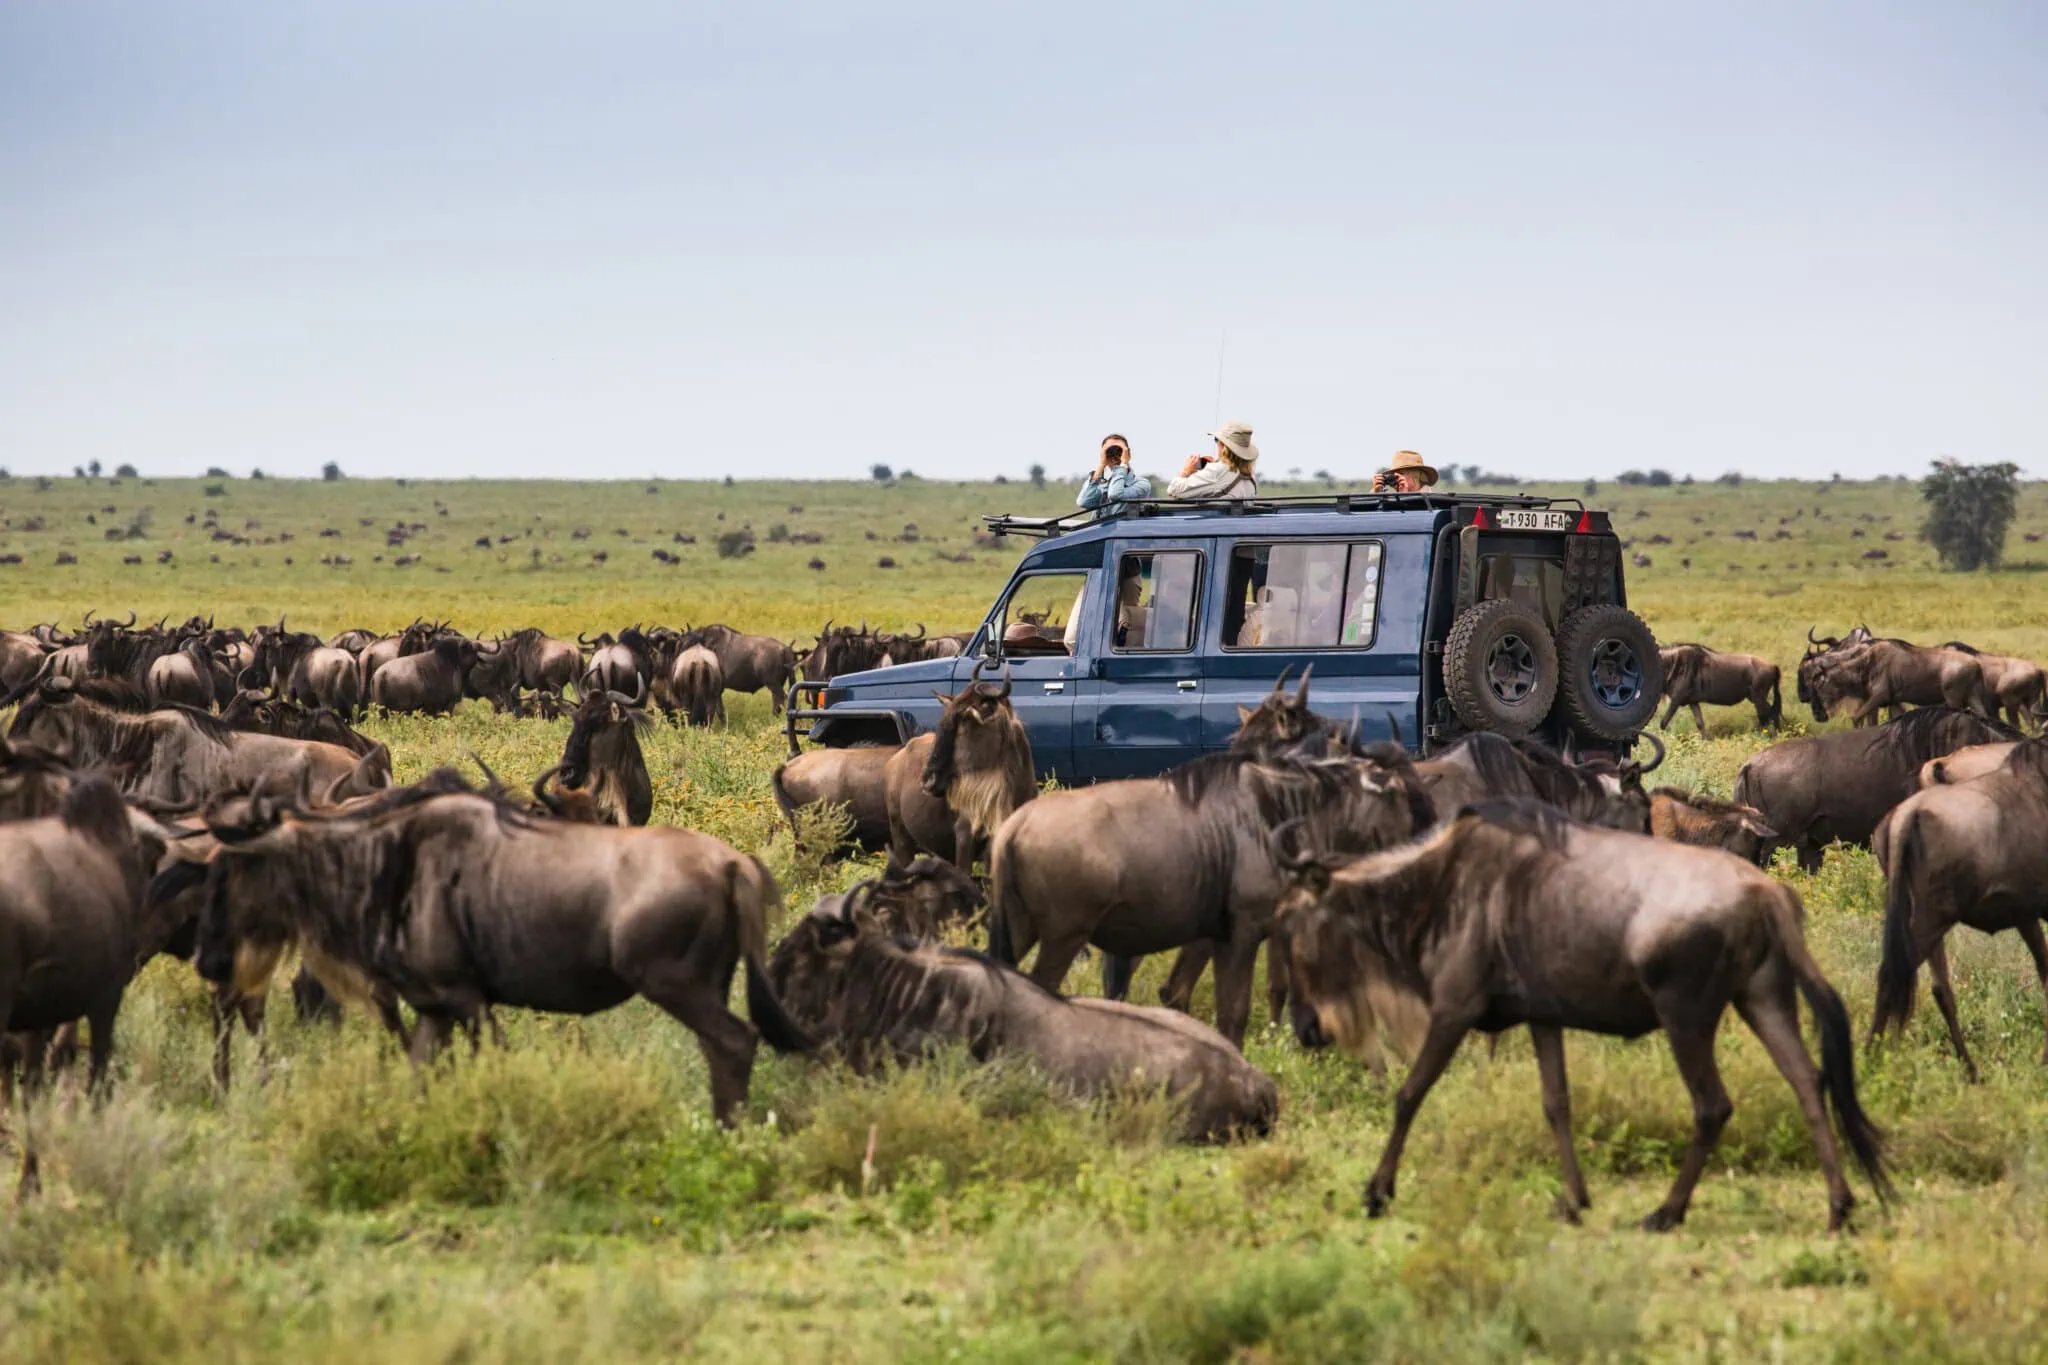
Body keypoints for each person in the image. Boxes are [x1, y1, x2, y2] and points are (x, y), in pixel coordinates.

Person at [1166, 420, 1259, 501]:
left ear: (1224, 446)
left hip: (1216, 520)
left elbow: (1174, 490)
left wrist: (1185, 472)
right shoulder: (1251, 475)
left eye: (1216, 439)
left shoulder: (1216, 470)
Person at [1077, 434, 1151, 509]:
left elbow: (1115, 495)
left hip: (1123, 521)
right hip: (1104, 521)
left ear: (1128, 454)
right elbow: (1084, 502)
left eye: (1120, 451)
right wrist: (1101, 465)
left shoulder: (1142, 484)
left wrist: (1123, 464)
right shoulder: (1103, 486)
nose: (1114, 456)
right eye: (1109, 452)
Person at [1372, 450, 1438, 493]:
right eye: (1392, 475)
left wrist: (1403, 495)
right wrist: (1377, 493)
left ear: (1416, 476)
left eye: (1400, 474)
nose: (1395, 479)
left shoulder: (1431, 500)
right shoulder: (1392, 498)